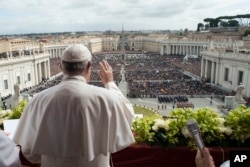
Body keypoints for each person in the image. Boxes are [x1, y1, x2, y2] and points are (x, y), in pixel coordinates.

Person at [13, 44, 135, 167]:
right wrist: (110, 83)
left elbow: (29, 153)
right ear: (89, 66)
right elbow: (128, 117)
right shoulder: (107, 98)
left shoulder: (38, 100)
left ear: (61, 67)